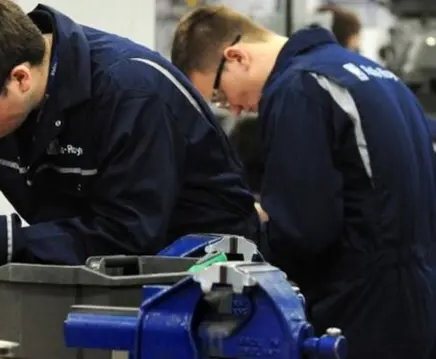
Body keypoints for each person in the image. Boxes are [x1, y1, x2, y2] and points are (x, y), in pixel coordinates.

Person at [0, 1, 259, 274]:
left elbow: (131, 236)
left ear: (19, 78)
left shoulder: (132, 93)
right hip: (99, 288)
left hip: (210, 291)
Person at [170, 4, 436, 359]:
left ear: (236, 57)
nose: (232, 109)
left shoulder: (298, 88)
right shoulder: (373, 74)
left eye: (219, 94)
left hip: (359, 314)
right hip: (417, 302)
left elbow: (305, 231)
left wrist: (257, 225)